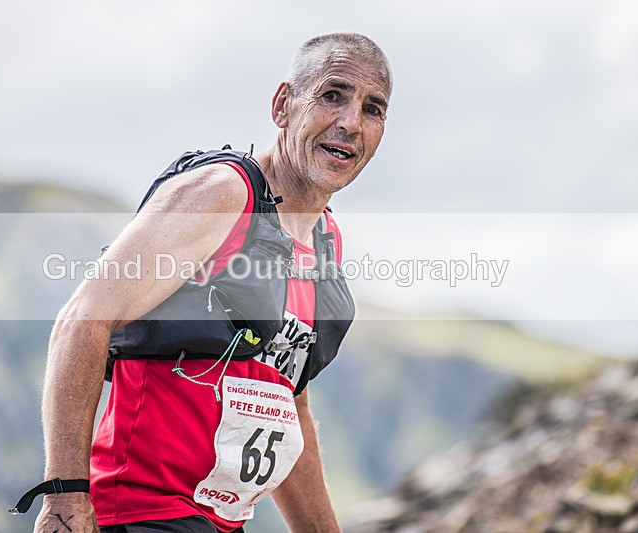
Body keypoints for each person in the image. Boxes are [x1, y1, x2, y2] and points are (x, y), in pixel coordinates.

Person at [29, 33, 391, 533]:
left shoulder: (326, 239)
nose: (351, 122)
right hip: (137, 517)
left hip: (220, 524)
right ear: (283, 105)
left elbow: (289, 404)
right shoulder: (224, 194)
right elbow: (81, 319)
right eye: (333, 95)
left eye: (373, 109)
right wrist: (65, 500)